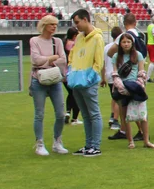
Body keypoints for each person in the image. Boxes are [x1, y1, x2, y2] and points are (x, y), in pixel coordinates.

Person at [67, 9, 106, 157]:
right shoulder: (79, 38)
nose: (76, 26)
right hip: (76, 81)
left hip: (88, 82)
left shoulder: (97, 38)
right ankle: (88, 144)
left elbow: (98, 62)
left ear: (85, 19)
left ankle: (95, 145)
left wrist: (90, 78)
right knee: (85, 114)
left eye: (77, 22)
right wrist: (71, 71)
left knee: (94, 114)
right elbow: (73, 55)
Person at [29, 15, 69, 157]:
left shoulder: (57, 41)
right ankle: (39, 143)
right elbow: (35, 60)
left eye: (55, 24)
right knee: (39, 114)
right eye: (51, 24)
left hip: (55, 79)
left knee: (60, 113)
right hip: (38, 79)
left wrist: (46, 61)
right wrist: (52, 58)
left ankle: (57, 141)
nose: (54, 27)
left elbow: (63, 60)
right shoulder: (34, 40)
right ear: (44, 25)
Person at [112, 32, 154, 149]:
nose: (126, 44)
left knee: (143, 115)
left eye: (128, 42)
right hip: (123, 87)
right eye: (124, 42)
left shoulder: (138, 55)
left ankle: (146, 140)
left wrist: (140, 83)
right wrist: (120, 85)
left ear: (132, 43)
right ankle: (130, 141)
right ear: (120, 44)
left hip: (136, 87)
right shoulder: (116, 57)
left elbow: (141, 72)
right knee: (124, 115)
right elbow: (115, 73)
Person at [63, 26, 82, 124]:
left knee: (71, 93)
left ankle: (67, 112)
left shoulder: (64, 43)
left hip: (64, 74)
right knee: (77, 95)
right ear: (75, 35)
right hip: (74, 72)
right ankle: (75, 118)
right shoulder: (75, 45)